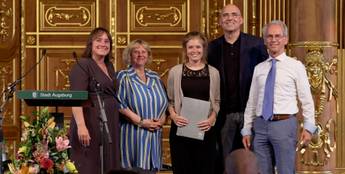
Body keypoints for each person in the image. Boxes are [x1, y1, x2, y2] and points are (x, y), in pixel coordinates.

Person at [241, 20, 317, 174]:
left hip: (284, 125)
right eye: (269, 36)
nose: (273, 40)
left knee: (285, 171)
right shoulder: (259, 68)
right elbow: (252, 101)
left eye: (277, 36)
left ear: (285, 39)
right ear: (264, 40)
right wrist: (247, 129)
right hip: (260, 126)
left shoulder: (296, 66)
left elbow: (306, 99)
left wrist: (309, 127)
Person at [207, 4, 268, 172]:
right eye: (225, 15)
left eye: (234, 15)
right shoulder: (211, 48)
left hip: (251, 114)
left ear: (241, 20)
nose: (230, 18)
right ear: (220, 21)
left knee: (252, 161)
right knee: (225, 161)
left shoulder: (257, 45)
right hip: (223, 115)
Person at [167, 31, 220, 174]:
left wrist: (211, 119)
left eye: (198, 47)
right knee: (182, 169)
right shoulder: (175, 71)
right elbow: (170, 101)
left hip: (205, 129)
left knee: (205, 169)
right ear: (185, 49)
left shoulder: (214, 72)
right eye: (190, 47)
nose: (194, 51)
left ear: (204, 49)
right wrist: (174, 116)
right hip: (181, 129)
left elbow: (216, 101)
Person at [69, 27, 120, 174]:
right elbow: (76, 98)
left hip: (109, 120)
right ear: (90, 43)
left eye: (107, 41)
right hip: (90, 121)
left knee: (108, 164)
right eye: (99, 40)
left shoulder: (109, 66)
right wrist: (81, 126)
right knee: (91, 164)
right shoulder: (82, 65)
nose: (103, 44)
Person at [116, 39, 168, 174]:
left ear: (148, 55)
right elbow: (119, 103)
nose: (140, 55)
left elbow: (165, 102)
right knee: (134, 171)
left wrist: (161, 121)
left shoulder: (155, 76)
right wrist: (141, 121)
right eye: (136, 52)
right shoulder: (123, 76)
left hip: (154, 136)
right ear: (129, 55)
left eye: (143, 52)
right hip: (133, 134)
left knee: (152, 170)